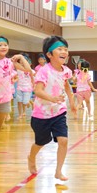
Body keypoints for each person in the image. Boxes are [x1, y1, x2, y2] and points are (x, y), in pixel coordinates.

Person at [27, 36, 75, 181]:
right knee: (41, 142)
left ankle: (58, 171)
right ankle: (31, 157)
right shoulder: (44, 71)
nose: (64, 52)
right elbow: (38, 90)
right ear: (49, 54)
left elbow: (66, 84)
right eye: (60, 49)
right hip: (41, 115)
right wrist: (52, 98)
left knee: (63, 141)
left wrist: (71, 101)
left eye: (66, 49)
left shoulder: (66, 70)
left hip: (59, 112)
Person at [0, 36, 32, 159]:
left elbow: (28, 70)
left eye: (5, 45)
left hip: (5, 97)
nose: (3, 47)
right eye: (0, 45)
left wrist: (21, 57)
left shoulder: (10, 63)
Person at [15, 53, 34, 119]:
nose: (22, 63)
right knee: (19, 101)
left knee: (25, 102)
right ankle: (20, 114)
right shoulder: (18, 69)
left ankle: (29, 103)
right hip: (19, 87)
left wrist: (34, 85)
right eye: (21, 61)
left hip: (27, 88)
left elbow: (33, 78)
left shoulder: (31, 71)